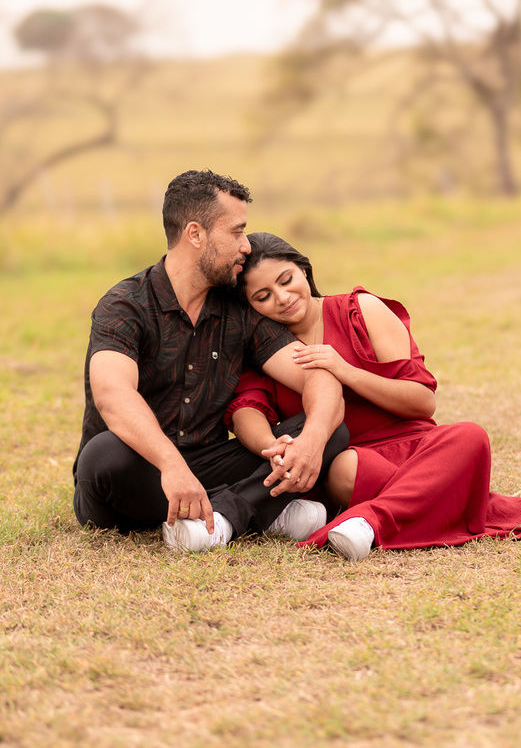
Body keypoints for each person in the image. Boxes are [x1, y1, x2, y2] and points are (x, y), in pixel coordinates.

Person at [226, 232, 521, 561]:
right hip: (356, 465)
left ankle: (370, 521)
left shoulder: (361, 311)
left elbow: (422, 402)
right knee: (343, 469)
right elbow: (247, 408)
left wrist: (348, 372)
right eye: (263, 296)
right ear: (251, 307)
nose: (282, 297)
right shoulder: (265, 349)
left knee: (470, 435)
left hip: (422, 452)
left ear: (303, 270)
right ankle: (432, 506)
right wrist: (271, 447)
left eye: (286, 280)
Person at [73, 171, 348, 552]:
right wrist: (171, 465)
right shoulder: (125, 305)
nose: (246, 246)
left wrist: (313, 441)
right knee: (104, 455)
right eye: (236, 232)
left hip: (209, 463)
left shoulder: (238, 308)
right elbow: (112, 395)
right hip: (138, 470)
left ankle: (223, 518)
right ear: (196, 234)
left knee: (330, 424)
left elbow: (318, 375)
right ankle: (263, 509)